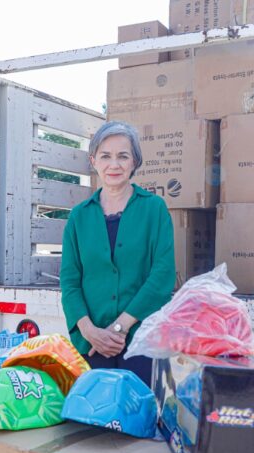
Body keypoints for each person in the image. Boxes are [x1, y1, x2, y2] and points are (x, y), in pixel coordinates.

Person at [60, 120, 175, 387]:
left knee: (139, 411)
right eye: (105, 156)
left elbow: (162, 276)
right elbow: (70, 282)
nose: (114, 164)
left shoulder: (154, 209)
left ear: (135, 161)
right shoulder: (78, 217)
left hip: (141, 342)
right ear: (93, 161)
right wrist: (90, 331)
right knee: (91, 412)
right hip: (91, 346)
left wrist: (119, 327)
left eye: (123, 156)